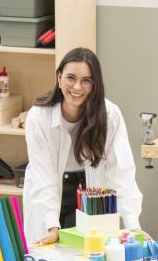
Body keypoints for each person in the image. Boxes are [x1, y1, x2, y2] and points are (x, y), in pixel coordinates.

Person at [23, 47, 147, 246]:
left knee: (90, 255)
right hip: (50, 194)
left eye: (86, 81)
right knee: (51, 258)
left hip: (89, 193)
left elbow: (121, 172)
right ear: (59, 78)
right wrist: (51, 226)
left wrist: (133, 225)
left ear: (95, 85)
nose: (77, 87)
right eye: (71, 78)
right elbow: (43, 177)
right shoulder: (39, 117)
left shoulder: (110, 115)